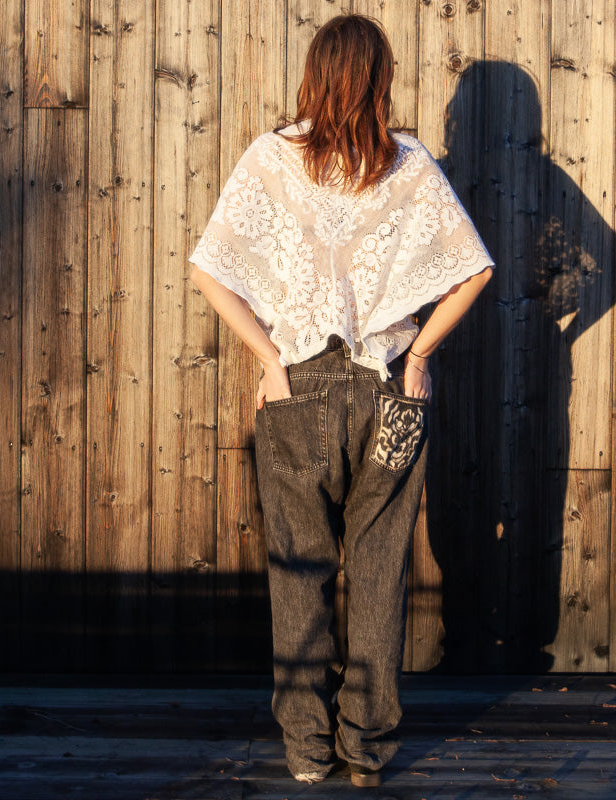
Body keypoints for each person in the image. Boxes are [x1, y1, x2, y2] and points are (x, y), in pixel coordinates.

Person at [188, 13, 494, 788]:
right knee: (383, 568)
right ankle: (365, 749)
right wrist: (419, 354)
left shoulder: (272, 157)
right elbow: (476, 271)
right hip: (389, 389)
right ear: (381, 78)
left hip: (297, 389)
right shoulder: (410, 164)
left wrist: (268, 361)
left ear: (315, 73)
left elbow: (210, 271)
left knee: (299, 573)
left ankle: (305, 750)